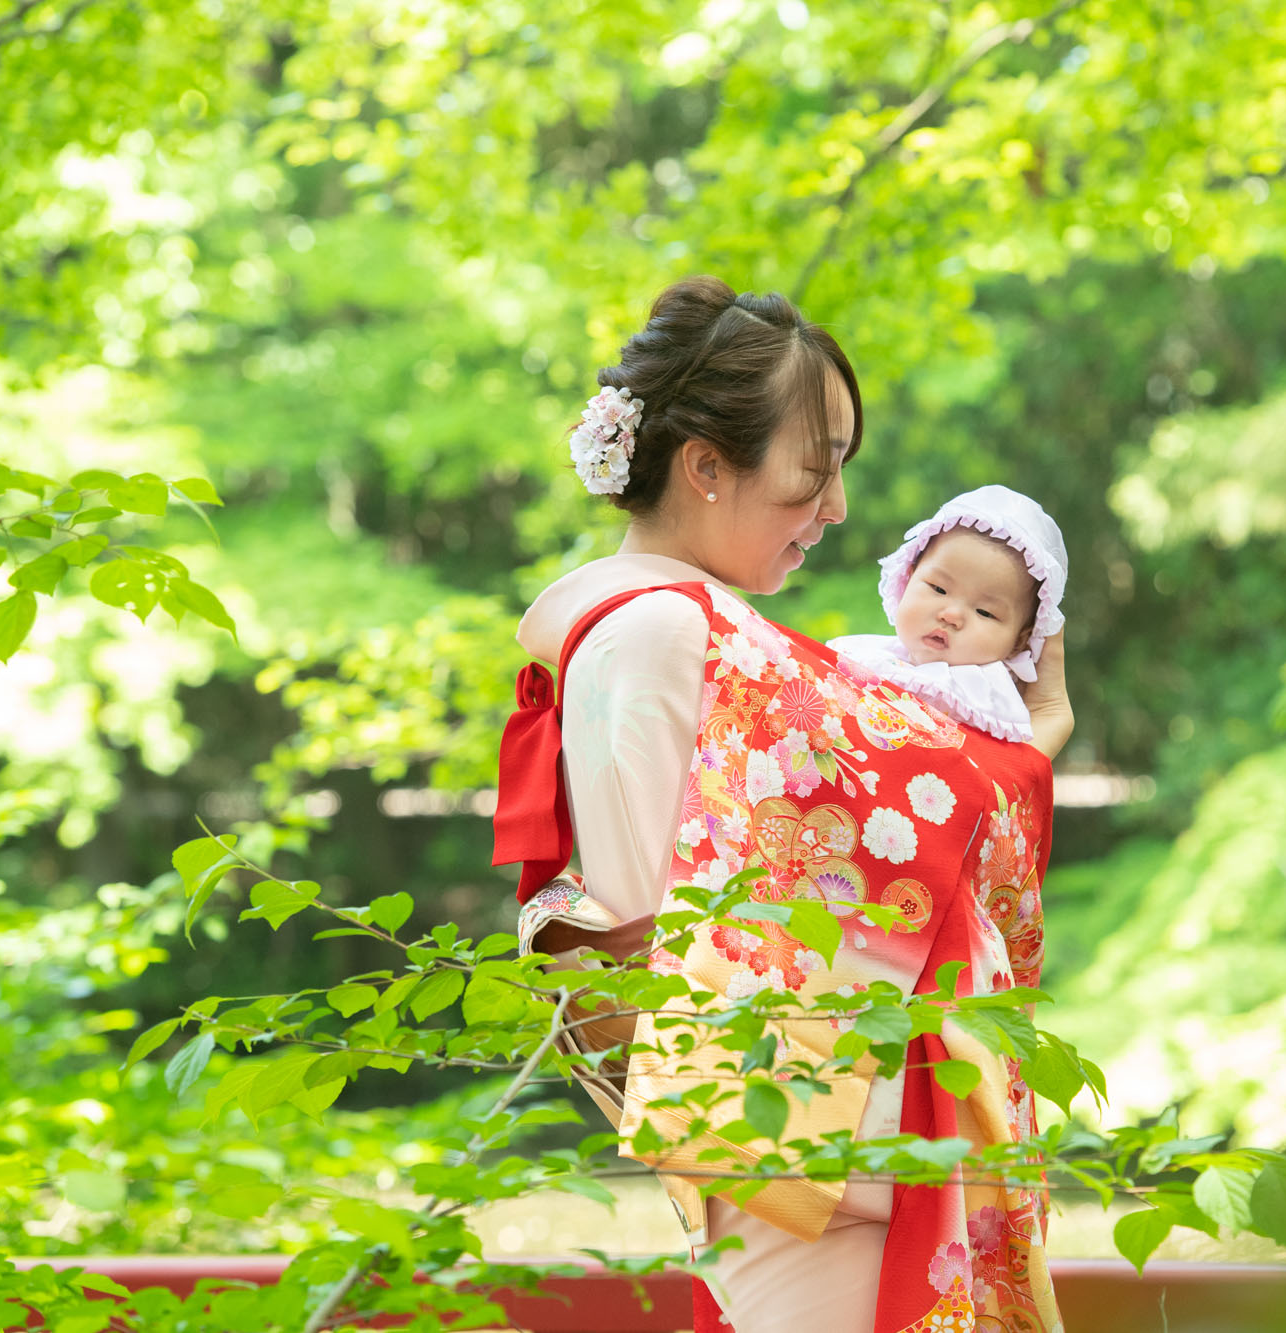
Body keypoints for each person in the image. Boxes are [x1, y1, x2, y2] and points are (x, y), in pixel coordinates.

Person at [491, 276, 1071, 1333]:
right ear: (705, 467)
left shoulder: (717, 633)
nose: (837, 509)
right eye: (815, 469)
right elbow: (624, 939)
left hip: (829, 1142)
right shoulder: (661, 633)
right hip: (815, 1157)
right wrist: (761, 1152)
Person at [827, 484, 1069, 758]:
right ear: (907, 578)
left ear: (1020, 641)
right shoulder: (869, 656)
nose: (951, 616)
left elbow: (1005, 776)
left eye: (985, 612)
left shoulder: (992, 701)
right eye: (938, 589)